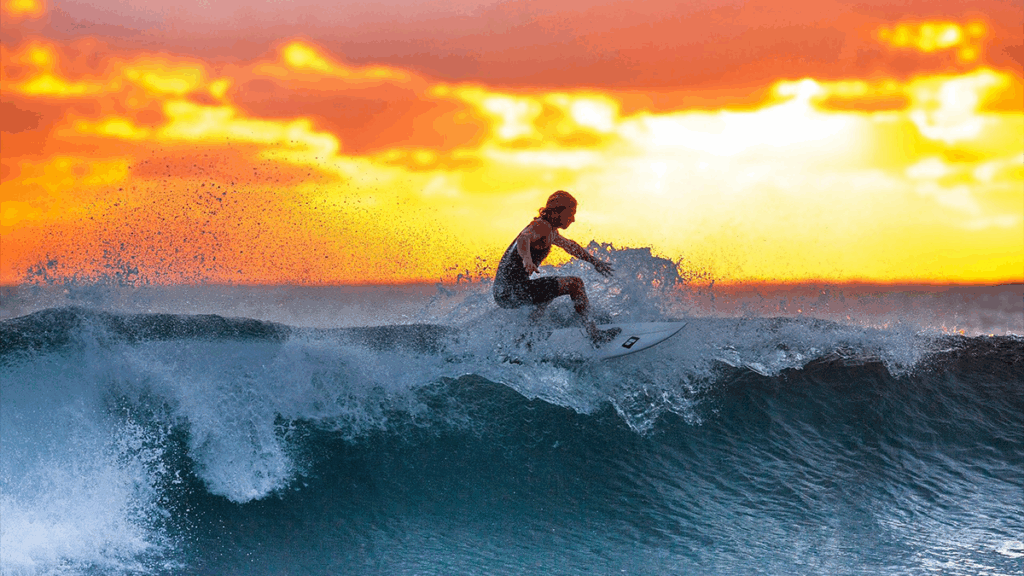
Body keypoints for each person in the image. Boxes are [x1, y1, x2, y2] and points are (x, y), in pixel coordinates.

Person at [493, 190, 620, 345]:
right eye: (571, 213)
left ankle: (523, 340)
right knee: (575, 284)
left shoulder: (549, 230)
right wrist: (527, 259)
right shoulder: (541, 226)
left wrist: (594, 262)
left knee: (548, 293)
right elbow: (523, 239)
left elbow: (571, 246)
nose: (573, 219)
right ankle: (594, 334)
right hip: (513, 290)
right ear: (558, 211)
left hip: (504, 293)